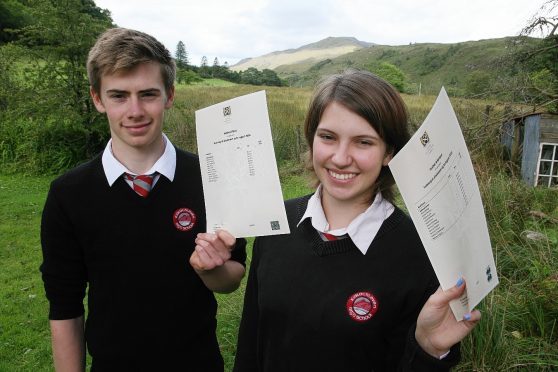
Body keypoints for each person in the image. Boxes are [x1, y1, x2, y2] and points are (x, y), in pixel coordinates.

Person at [233, 69, 480, 371]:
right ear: (311, 140)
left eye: (363, 142)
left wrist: (428, 350)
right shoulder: (276, 225)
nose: (340, 157)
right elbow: (251, 342)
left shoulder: (420, 253)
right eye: (328, 137)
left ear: (389, 151)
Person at [40, 27, 246, 372]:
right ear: (97, 99)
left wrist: (211, 269)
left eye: (148, 94)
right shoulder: (68, 194)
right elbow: (65, 306)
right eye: (119, 95)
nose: (134, 110)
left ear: (169, 95)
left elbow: (232, 278)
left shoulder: (211, 178)